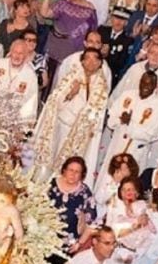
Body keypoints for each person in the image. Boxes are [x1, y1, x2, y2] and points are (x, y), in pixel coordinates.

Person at [31, 48, 109, 178]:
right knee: (49, 158)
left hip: (79, 132)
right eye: (87, 58)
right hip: (60, 125)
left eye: (95, 59)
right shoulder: (72, 76)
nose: (91, 62)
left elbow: (96, 114)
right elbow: (55, 102)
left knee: (67, 164)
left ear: (100, 63)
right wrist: (71, 94)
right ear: (82, 61)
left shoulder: (101, 86)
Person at [101, 71, 158, 174]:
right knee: (107, 176)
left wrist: (130, 123)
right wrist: (120, 120)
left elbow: (150, 134)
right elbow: (111, 118)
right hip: (117, 144)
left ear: (155, 86)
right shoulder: (127, 95)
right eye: (143, 82)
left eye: (150, 84)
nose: (145, 86)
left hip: (134, 150)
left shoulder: (156, 107)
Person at [0, 37, 38, 125]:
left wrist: (24, 127)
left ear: (26, 56)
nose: (17, 56)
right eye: (15, 52)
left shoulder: (30, 76)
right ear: (10, 52)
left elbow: (31, 104)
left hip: (12, 122)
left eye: (21, 53)